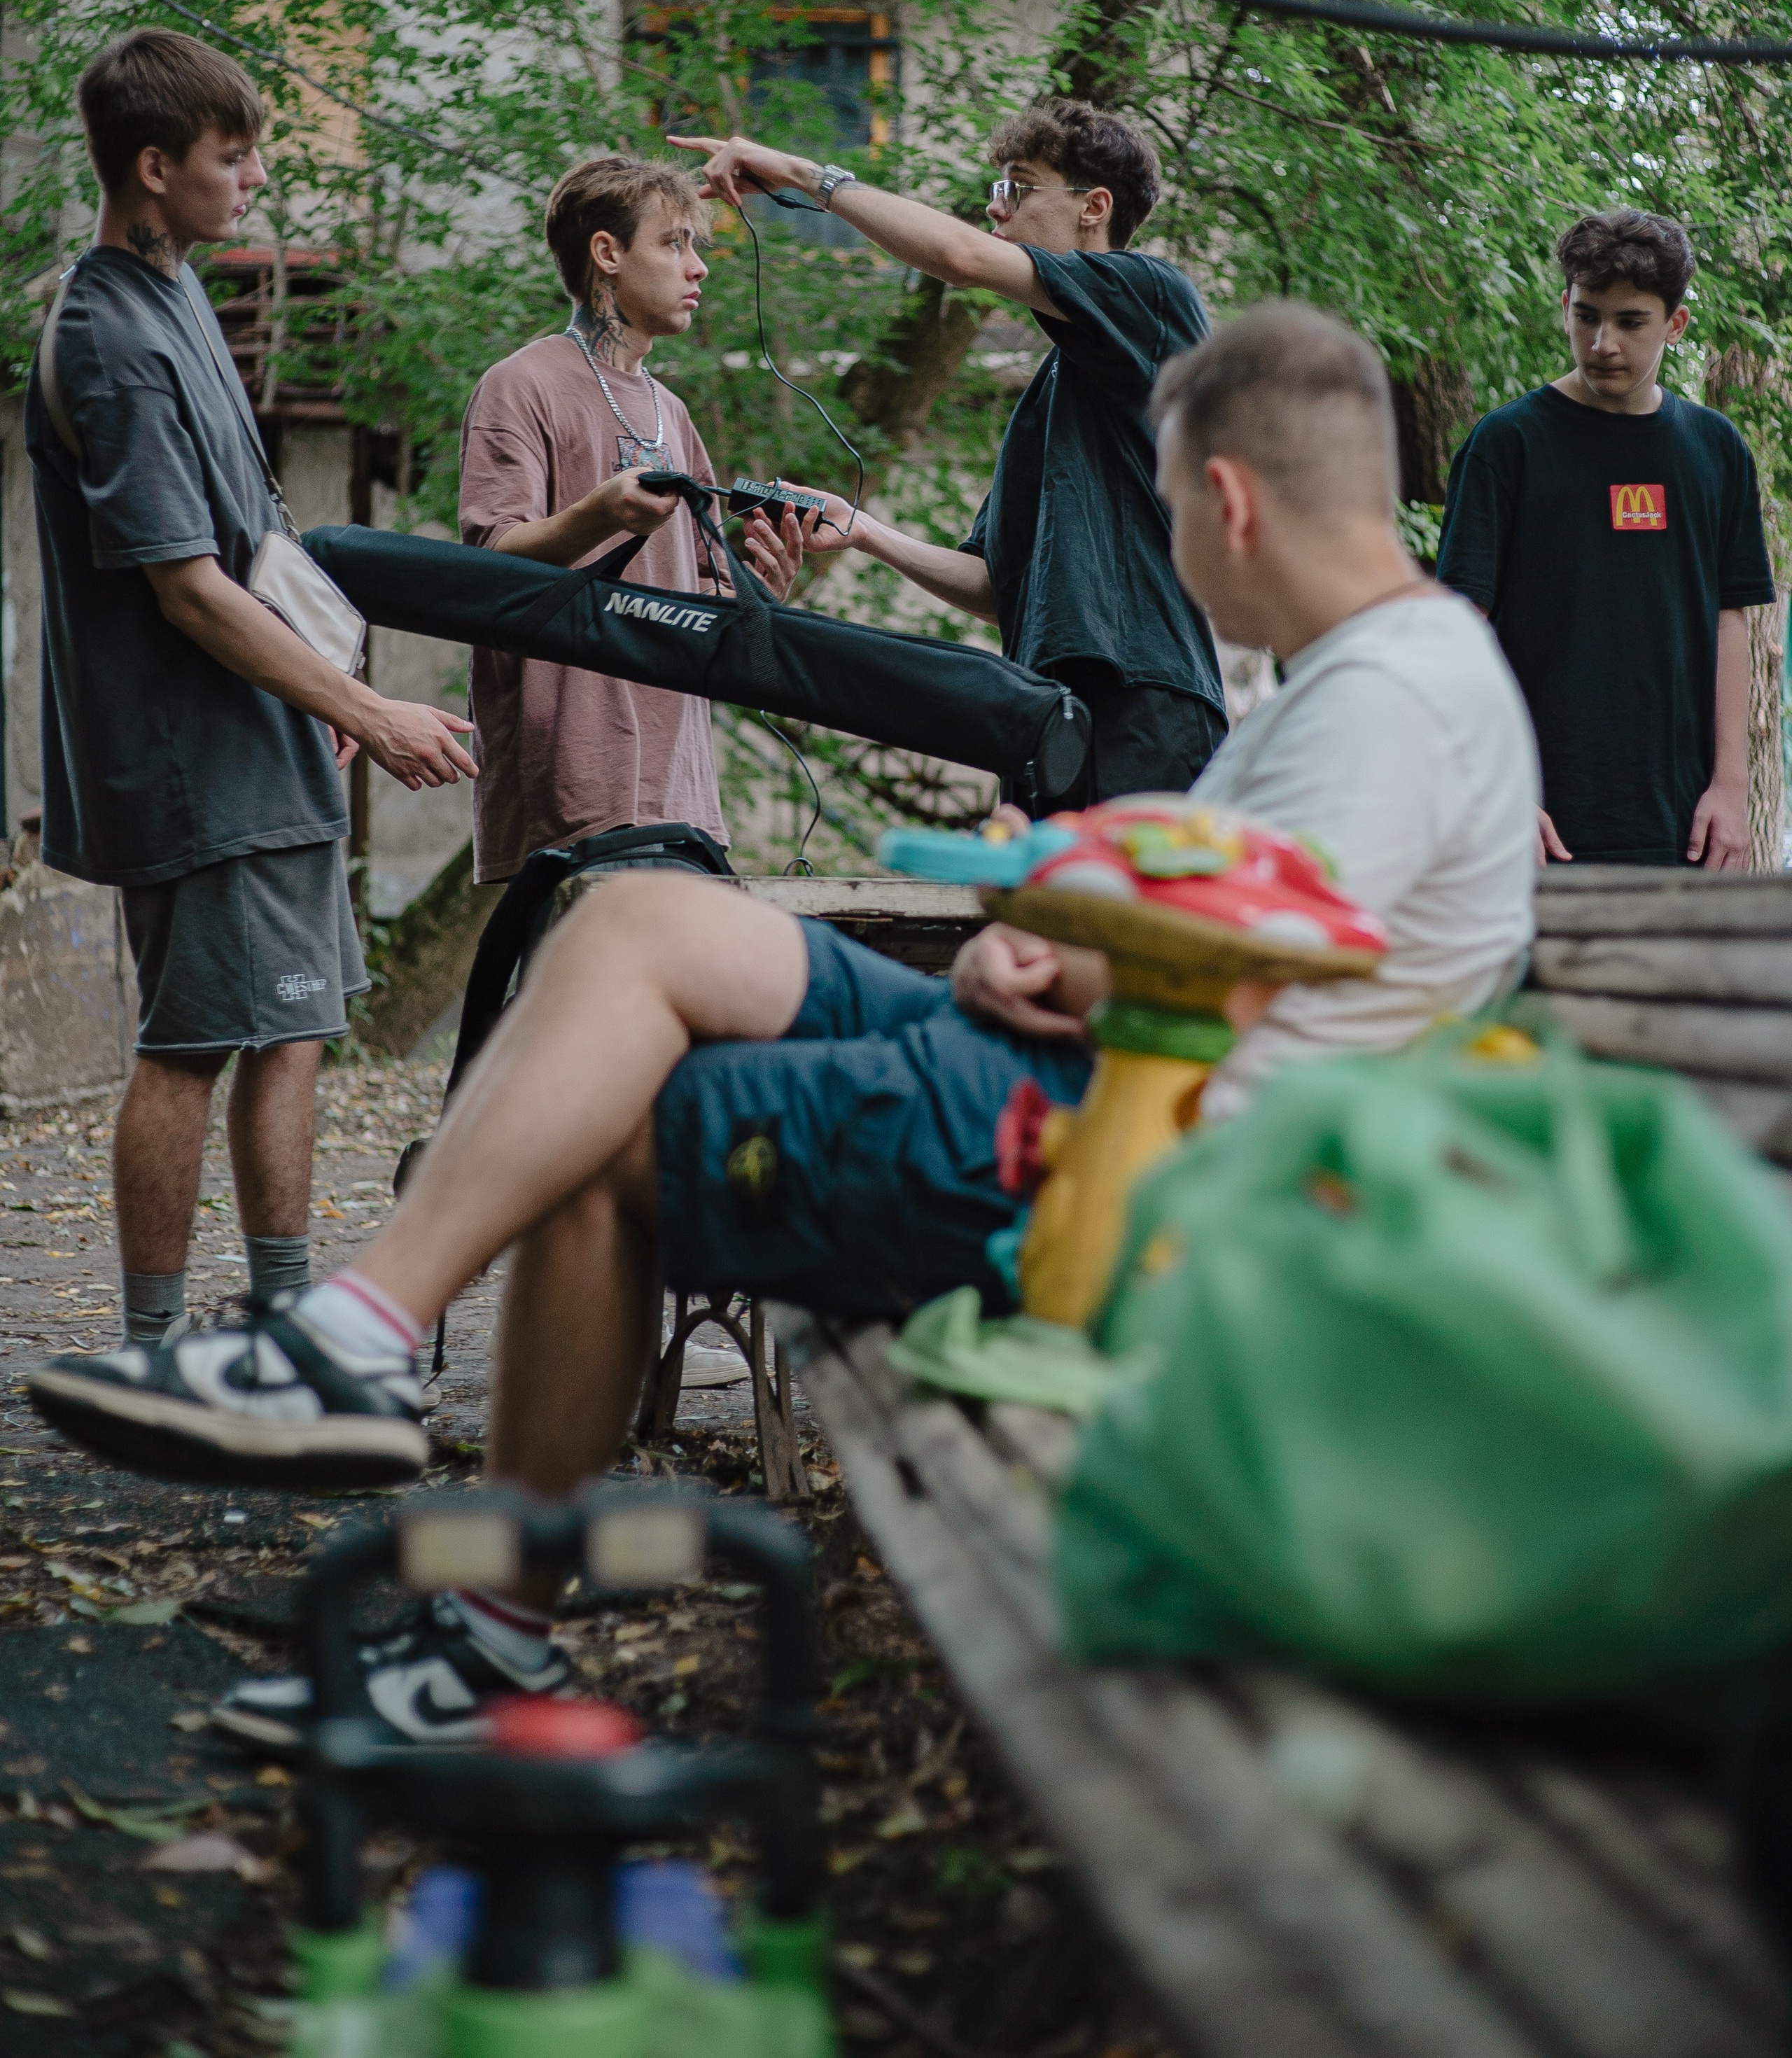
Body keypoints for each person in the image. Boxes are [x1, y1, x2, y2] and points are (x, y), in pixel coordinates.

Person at [30, 301, 1539, 1744]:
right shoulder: (1344, 676)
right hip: (1082, 1066)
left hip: (1124, 1164)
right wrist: (1052, 929)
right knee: (633, 912)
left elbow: (1254, 960)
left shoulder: (1387, 702)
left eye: (1167, 515)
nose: (1173, 553)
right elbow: (1232, 909)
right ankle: (361, 1339)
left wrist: (1077, 956)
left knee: (607, 1138)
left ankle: (473, 1600)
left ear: (1228, 495)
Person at [25, 27, 477, 1351]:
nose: (261, 177)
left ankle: (280, 1315)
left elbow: (250, 547)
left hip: (260, 737)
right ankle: (155, 1352)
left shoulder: (176, 293)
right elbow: (186, 586)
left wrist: (316, 689)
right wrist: (368, 710)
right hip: (191, 758)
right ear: (155, 167)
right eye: (237, 156)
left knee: (293, 1029)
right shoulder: (109, 334)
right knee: (190, 1045)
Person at [669, 98, 1228, 809]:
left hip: (1146, 702)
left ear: (1094, 206)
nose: (995, 210)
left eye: (1016, 188)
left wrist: (802, 173)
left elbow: (959, 257)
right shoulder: (1051, 392)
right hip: (1045, 712)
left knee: (1126, 919)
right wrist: (862, 529)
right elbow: (997, 586)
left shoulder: (1152, 296)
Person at [460, 157, 800, 883]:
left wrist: (762, 585)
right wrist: (598, 512)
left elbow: (708, 605)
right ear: (607, 254)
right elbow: (490, 561)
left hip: (678, 788)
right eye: (675, 243)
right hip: (573, 778)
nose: (698, 267)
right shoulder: (520, 385)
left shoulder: (671, 411)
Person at [1436, 209, 1777, 868]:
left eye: (1629, 322)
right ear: (1564, 306)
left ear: (1675, 325)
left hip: (1685, 824)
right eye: (1587, 316)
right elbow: (1458, 630)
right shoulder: (1506, 444)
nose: (1602, 344)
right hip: (1534, 826)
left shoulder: (1717, 449)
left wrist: (1732, 787)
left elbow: (1730, 620)